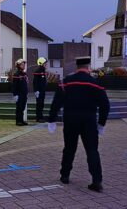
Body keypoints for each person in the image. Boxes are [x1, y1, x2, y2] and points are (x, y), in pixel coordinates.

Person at [48, 57, 110, 193]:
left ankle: (65, 175)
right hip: (89, 120)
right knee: (92, 150)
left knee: (69, 148)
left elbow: (56, 102)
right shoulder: (94, 83)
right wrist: (102, 123)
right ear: (88, 67)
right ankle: (96, 180)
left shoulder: (66, 82)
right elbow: (105, 104)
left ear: (77, 67)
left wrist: (51, 119)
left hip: (70, 119)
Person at [12, 59, 29, 126]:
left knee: (22, 108)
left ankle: (21, 120)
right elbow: (14, 85)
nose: (24, 65)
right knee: (19, 108)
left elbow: (25, 84)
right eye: (22, 64)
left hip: (24, 94)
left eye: (24, 64)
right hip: (19, 94)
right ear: (18, 65)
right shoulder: (16, 74)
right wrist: (15, 94)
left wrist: (26, 93)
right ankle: (18, 121)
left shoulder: (24, 73)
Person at [33, 57, 48, 123]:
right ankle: (38, 117)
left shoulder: (43, 71)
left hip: (42, 90)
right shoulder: (38, 71)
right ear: (41, 63)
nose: (46, 65)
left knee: (41, 104)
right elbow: (35, 82)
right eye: (45, 63)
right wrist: (36, 91)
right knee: (39, 104)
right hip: (39, 91)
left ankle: (40, 117)